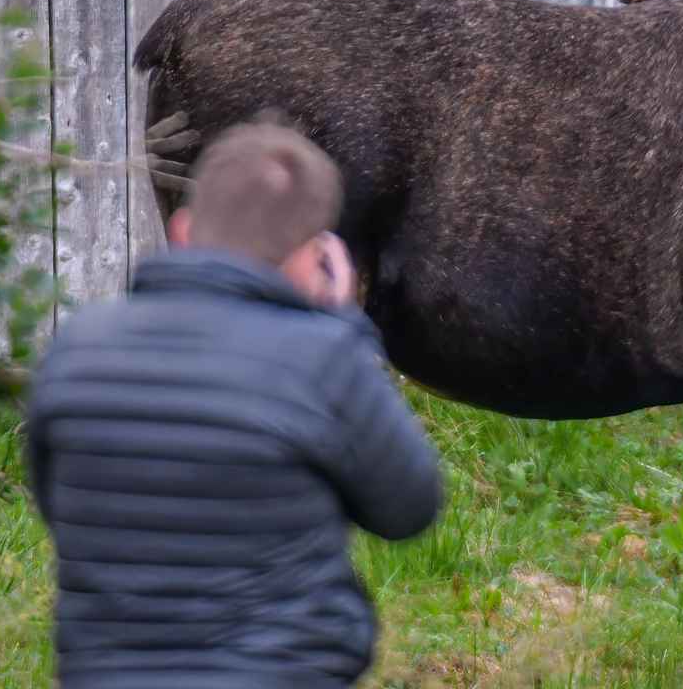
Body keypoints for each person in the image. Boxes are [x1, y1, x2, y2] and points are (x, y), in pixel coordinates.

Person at [25, 121, 442, 689]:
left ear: (183, 226)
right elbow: (408, 509)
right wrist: (345, 326)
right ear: (315, 256)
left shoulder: (75, 349)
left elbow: (54, 503)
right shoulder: (324, 359)